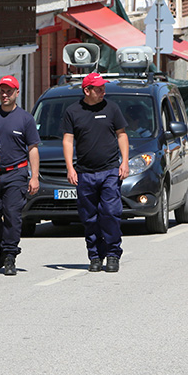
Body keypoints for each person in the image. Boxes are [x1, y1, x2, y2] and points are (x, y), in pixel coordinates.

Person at [61, 72, 129, 273]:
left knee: (110, 213)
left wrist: (124, 162)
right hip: (85, 173)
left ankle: (113, 254)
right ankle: (95, 256)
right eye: (98, 89)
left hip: (109, 171)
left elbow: (122, 135)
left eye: (103, 88)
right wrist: (70, 168)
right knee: (89, 217)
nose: (102, 92)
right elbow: (67, 140)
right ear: (87, 90)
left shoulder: (112, 108)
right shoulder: (73, 111)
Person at [0, 76, 39, 279]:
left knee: (12, 214)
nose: (5, 94)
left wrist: (34, 177)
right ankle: (2, 244)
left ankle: (9, 256)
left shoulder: (25, 119)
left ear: (17, 92)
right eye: (2, 91)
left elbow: (33, 149)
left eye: (9, 91)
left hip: (17, 173)